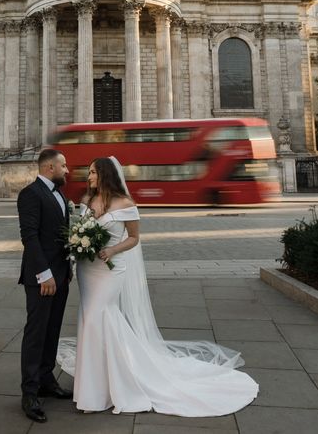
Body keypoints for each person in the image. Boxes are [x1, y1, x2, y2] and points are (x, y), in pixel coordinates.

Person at [57, 156, 259, 416]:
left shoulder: (125, 203)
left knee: (99, 317)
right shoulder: (86, 201)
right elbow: (81, 231)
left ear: (106, 175)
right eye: (90, 173)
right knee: (90, 321)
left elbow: (133, 238)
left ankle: (116, 383)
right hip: (89, 270)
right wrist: (79, 246)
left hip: (111, 270)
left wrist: (111, 249)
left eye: (94, 173)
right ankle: (95, 385)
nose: (89, 176)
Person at [18, 149, 73, 423]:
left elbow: (59, 236)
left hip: (60, 276)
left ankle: (46, 380)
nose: (68, 170)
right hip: (42, 278)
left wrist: (67, 270)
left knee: (53, 330)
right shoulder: (30, 194)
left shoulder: (60, 194)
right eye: (64, 165)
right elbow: (29, 237)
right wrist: (44, 274)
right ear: (50, 167)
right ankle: (29, 393)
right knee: (36, 332)